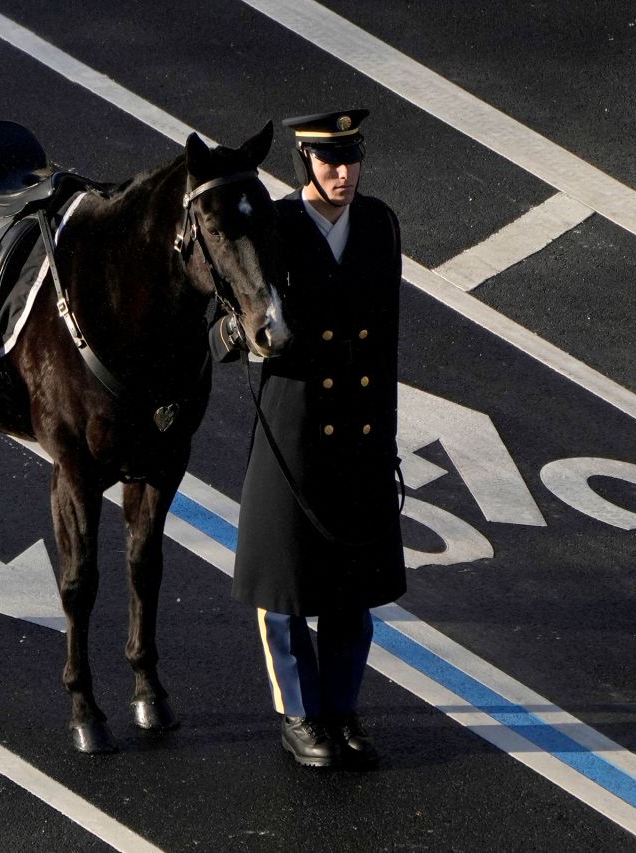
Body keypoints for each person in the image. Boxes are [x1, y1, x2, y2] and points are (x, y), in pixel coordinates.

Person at [210, 109, 406, 769]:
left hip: (360, 431)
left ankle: (341, 708)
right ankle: (299, 715)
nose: (345, 174)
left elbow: (388, 338)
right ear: (305, 164)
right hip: (291, 433)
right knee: (284, 588)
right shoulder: (275, 229)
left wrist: (388, 442)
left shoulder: (379, 225)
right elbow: (219, 330)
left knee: (353, 588)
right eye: (330, 162)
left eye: (352, 159)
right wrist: (246, 335)